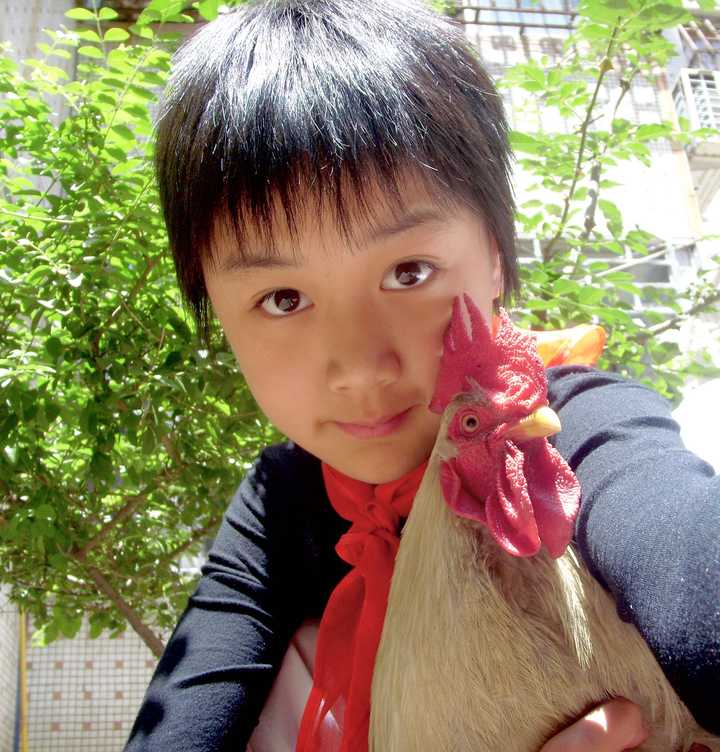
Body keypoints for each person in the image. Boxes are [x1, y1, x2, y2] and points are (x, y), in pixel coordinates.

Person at [123, 0, 720, 749]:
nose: (360, 367)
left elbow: (684, 555)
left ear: (496, 257)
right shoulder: (281, 500)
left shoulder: (558, 425)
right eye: (282, 298)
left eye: (409, 271)